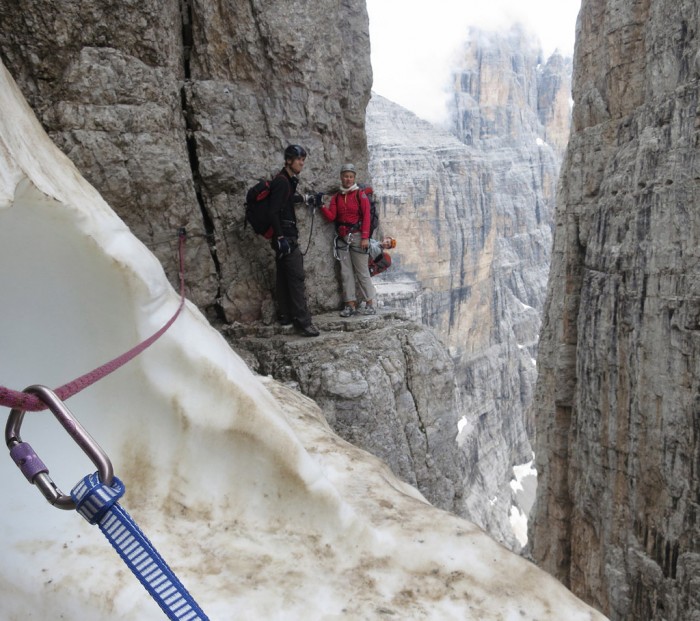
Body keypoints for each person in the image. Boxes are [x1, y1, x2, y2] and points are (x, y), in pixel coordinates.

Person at [268, 144, 319, 337]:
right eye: (299, 160)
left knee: (283, 277)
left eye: (303, 161)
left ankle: (286, 315)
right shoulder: (282, 182)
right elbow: (273, 211)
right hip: (286, 237)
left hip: (283, 237)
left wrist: (306, 199)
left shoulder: (286, 181)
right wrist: (281, 236)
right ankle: (303, 322)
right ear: (289, 160)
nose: (302, 164)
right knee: (296, 277)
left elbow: (287, 201)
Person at [320, 163, 376, 317]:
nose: (348, 179)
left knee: (362, 271)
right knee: (346, 273)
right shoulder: (337, 197)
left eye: (351, 176)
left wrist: (365, 237)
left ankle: (370, 303)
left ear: (354, 178)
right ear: (341, 178)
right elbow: (332, 216)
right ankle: (349, 304)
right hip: (343, 238)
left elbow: (366, 217)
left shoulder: (360, 195)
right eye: (346, 176)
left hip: (358, 238)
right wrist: (322, 206)